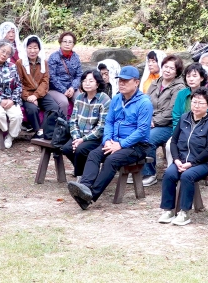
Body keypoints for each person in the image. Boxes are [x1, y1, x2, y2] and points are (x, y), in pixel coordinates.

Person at [66, 66, 154, 210]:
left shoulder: (144, 103)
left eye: (126, 81)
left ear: (136, 82)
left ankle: (90, 197)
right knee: (94, 153)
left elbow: (142, 131)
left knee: (112, 160)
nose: (122, 84)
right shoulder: (117, 98)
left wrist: (120, 144)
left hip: (136, 145)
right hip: (113, 141)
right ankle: (85, 188)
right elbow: (109, 122)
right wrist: (107, 139)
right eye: (120, 81)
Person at [158, 88, 208, 226]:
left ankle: (184, 212)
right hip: (181, 160)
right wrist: (176, 160)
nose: (196, 106)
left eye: (200, 103)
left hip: (202, 163)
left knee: (187, 176)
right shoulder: (184, 118)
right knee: (169, 173)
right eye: (194, 102)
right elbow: (174, 141)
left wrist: (191, 163)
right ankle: (168, 210)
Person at [143, 53, 186, 185]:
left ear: (177, 72)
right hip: (150, 121)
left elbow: (171, 111)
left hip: (168, 126)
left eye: (171, 68)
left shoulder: (179, 87)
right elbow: (145, 102)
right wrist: (145, 119)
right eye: (166, 67)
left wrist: (154, 122)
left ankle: (149, 174)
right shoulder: (155, 82)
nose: (167, 70)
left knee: (148, 138)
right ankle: (134, 168)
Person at [59, 69, 110, 177]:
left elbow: (102, 127)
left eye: (91, 81)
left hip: (95, 138)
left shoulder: (104, 100)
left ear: (97, 84)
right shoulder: (79, 98)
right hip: (79, 136)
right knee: (67, 148)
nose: (87, 83)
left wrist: (83, 140)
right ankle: (85, 172)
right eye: (84, 81)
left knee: (80, 150)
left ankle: (81, 177)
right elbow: (73, 121)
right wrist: (77, 137)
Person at [16, 35, 62, 136]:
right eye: (30, 47)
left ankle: (45, 130)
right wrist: (28, 97)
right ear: (25, 49)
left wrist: (36, 96)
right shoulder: (20, 63)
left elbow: (45, 81)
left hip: (41, 93)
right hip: (26, 94)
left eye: (35, 47)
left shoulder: (43, 62)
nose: (32, 51)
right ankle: (38, 130)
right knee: (32, 109)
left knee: (53, 107)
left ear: (39, 49)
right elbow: (18, 83)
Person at [171, 63, 208, 130]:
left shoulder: (207, 95)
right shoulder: (181, 94)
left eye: (194, 76)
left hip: (201, 131)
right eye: (188, 76)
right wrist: (176, 133)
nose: (191, 79)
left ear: (201, 78)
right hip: (182, 130)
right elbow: (176, 116)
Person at [46, 31, 82, 115]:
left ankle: (78, 123)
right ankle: (62, 125)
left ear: (73, 44)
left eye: (70, 42)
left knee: (80, 100)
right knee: (64, 102)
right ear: (60, 43)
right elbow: (52, 77)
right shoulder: (54, 57)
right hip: (56, 88)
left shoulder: (76, 57)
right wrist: (63, 90)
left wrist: (73, 88)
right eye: (65, 41)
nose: (67, 44)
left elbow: (79, 75)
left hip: (71, 87)